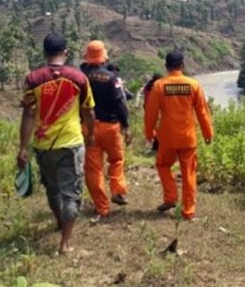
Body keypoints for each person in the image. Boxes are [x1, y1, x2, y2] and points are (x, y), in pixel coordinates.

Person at [17, 33, 95, 255]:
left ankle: (60, 222)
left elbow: (28, 115)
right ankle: (65, 243)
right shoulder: (79, 78)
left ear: (44, 53)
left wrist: (23, 147)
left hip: (43, 145)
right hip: (70, 144)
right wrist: (91, 135)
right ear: (66, 52)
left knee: (52, 190)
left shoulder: (33, 79)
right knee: (71, 192)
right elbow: (88, 111)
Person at [144, 51, 213, 219]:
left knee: (162, 165)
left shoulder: (159, 86)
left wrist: (149, 133)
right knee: (189, 173)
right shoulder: (193, 85)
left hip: (167, 138)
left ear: (166, 67)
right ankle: (188, 211)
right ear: (182, 65)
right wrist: (207, 133)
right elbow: (203, 112)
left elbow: (151, 113)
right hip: (188, 138)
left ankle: (170, 197)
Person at [80, 41, 132, 222]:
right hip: (110, 127)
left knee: (93, 169)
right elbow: (120, 104)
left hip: (88, 127)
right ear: (104, 57)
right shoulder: (111, 78)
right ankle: (117, 190)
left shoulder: (80, 77)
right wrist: (126, 127)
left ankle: (102, 208)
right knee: (116, 159)